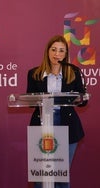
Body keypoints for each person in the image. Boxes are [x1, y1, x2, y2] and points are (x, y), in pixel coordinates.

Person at [26, 35, 87, 188]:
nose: (57, 54)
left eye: (61, 51)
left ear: (66, 54)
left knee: (60, 174)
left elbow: (82, 100)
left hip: (67, 124)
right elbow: (29, 101)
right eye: (53, 50)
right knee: (41, 174)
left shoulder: (73, 72)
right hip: (42, 124)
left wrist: (81, 97)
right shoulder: (34, 74)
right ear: (47, 51)